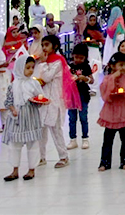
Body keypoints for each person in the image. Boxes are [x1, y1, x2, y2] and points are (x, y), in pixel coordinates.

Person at [36, 35, 80, 168]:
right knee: (41, 128)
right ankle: (41, 157)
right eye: (43, 45)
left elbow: (47, 77)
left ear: (54, 46)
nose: (44, 47)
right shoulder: (44, 61)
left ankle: (63, 156)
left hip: (54, 99)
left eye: (47, 45)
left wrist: (43, 63)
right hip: (43, 98)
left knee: (55, 128)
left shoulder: (58, 61)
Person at [2, 55, 44, 182]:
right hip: (17, 119)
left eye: (32, 67)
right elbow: (8, 101)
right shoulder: (13, 85)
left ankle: (32, 169)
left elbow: (40, 97)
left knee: (33, 144)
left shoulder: (34, 83)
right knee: (15, 144)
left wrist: (39, 101)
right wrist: (13, 109)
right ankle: (15, 170)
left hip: (31, 116)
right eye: (27, 68)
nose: (31, 70)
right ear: (20, 68)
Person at [98, 52, 125, 171]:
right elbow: (105, 94)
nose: (123, 68)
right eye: (120, 65)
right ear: (113, 66)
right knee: (107, 141)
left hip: (124, 113)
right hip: (111, 114)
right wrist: (113, 78)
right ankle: (105, 162)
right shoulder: (107, 79)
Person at [67, 43, 93, 150]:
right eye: (76, 57)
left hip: (83, 94)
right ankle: (73, 139)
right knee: (72, 118)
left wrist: (84, 78)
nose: (78, 60)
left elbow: (92, 80)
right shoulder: (70, 66)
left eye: (81, 58)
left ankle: (85, 138)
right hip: (72, 95)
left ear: (85, 58)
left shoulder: (86, 66)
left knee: (83, 117)